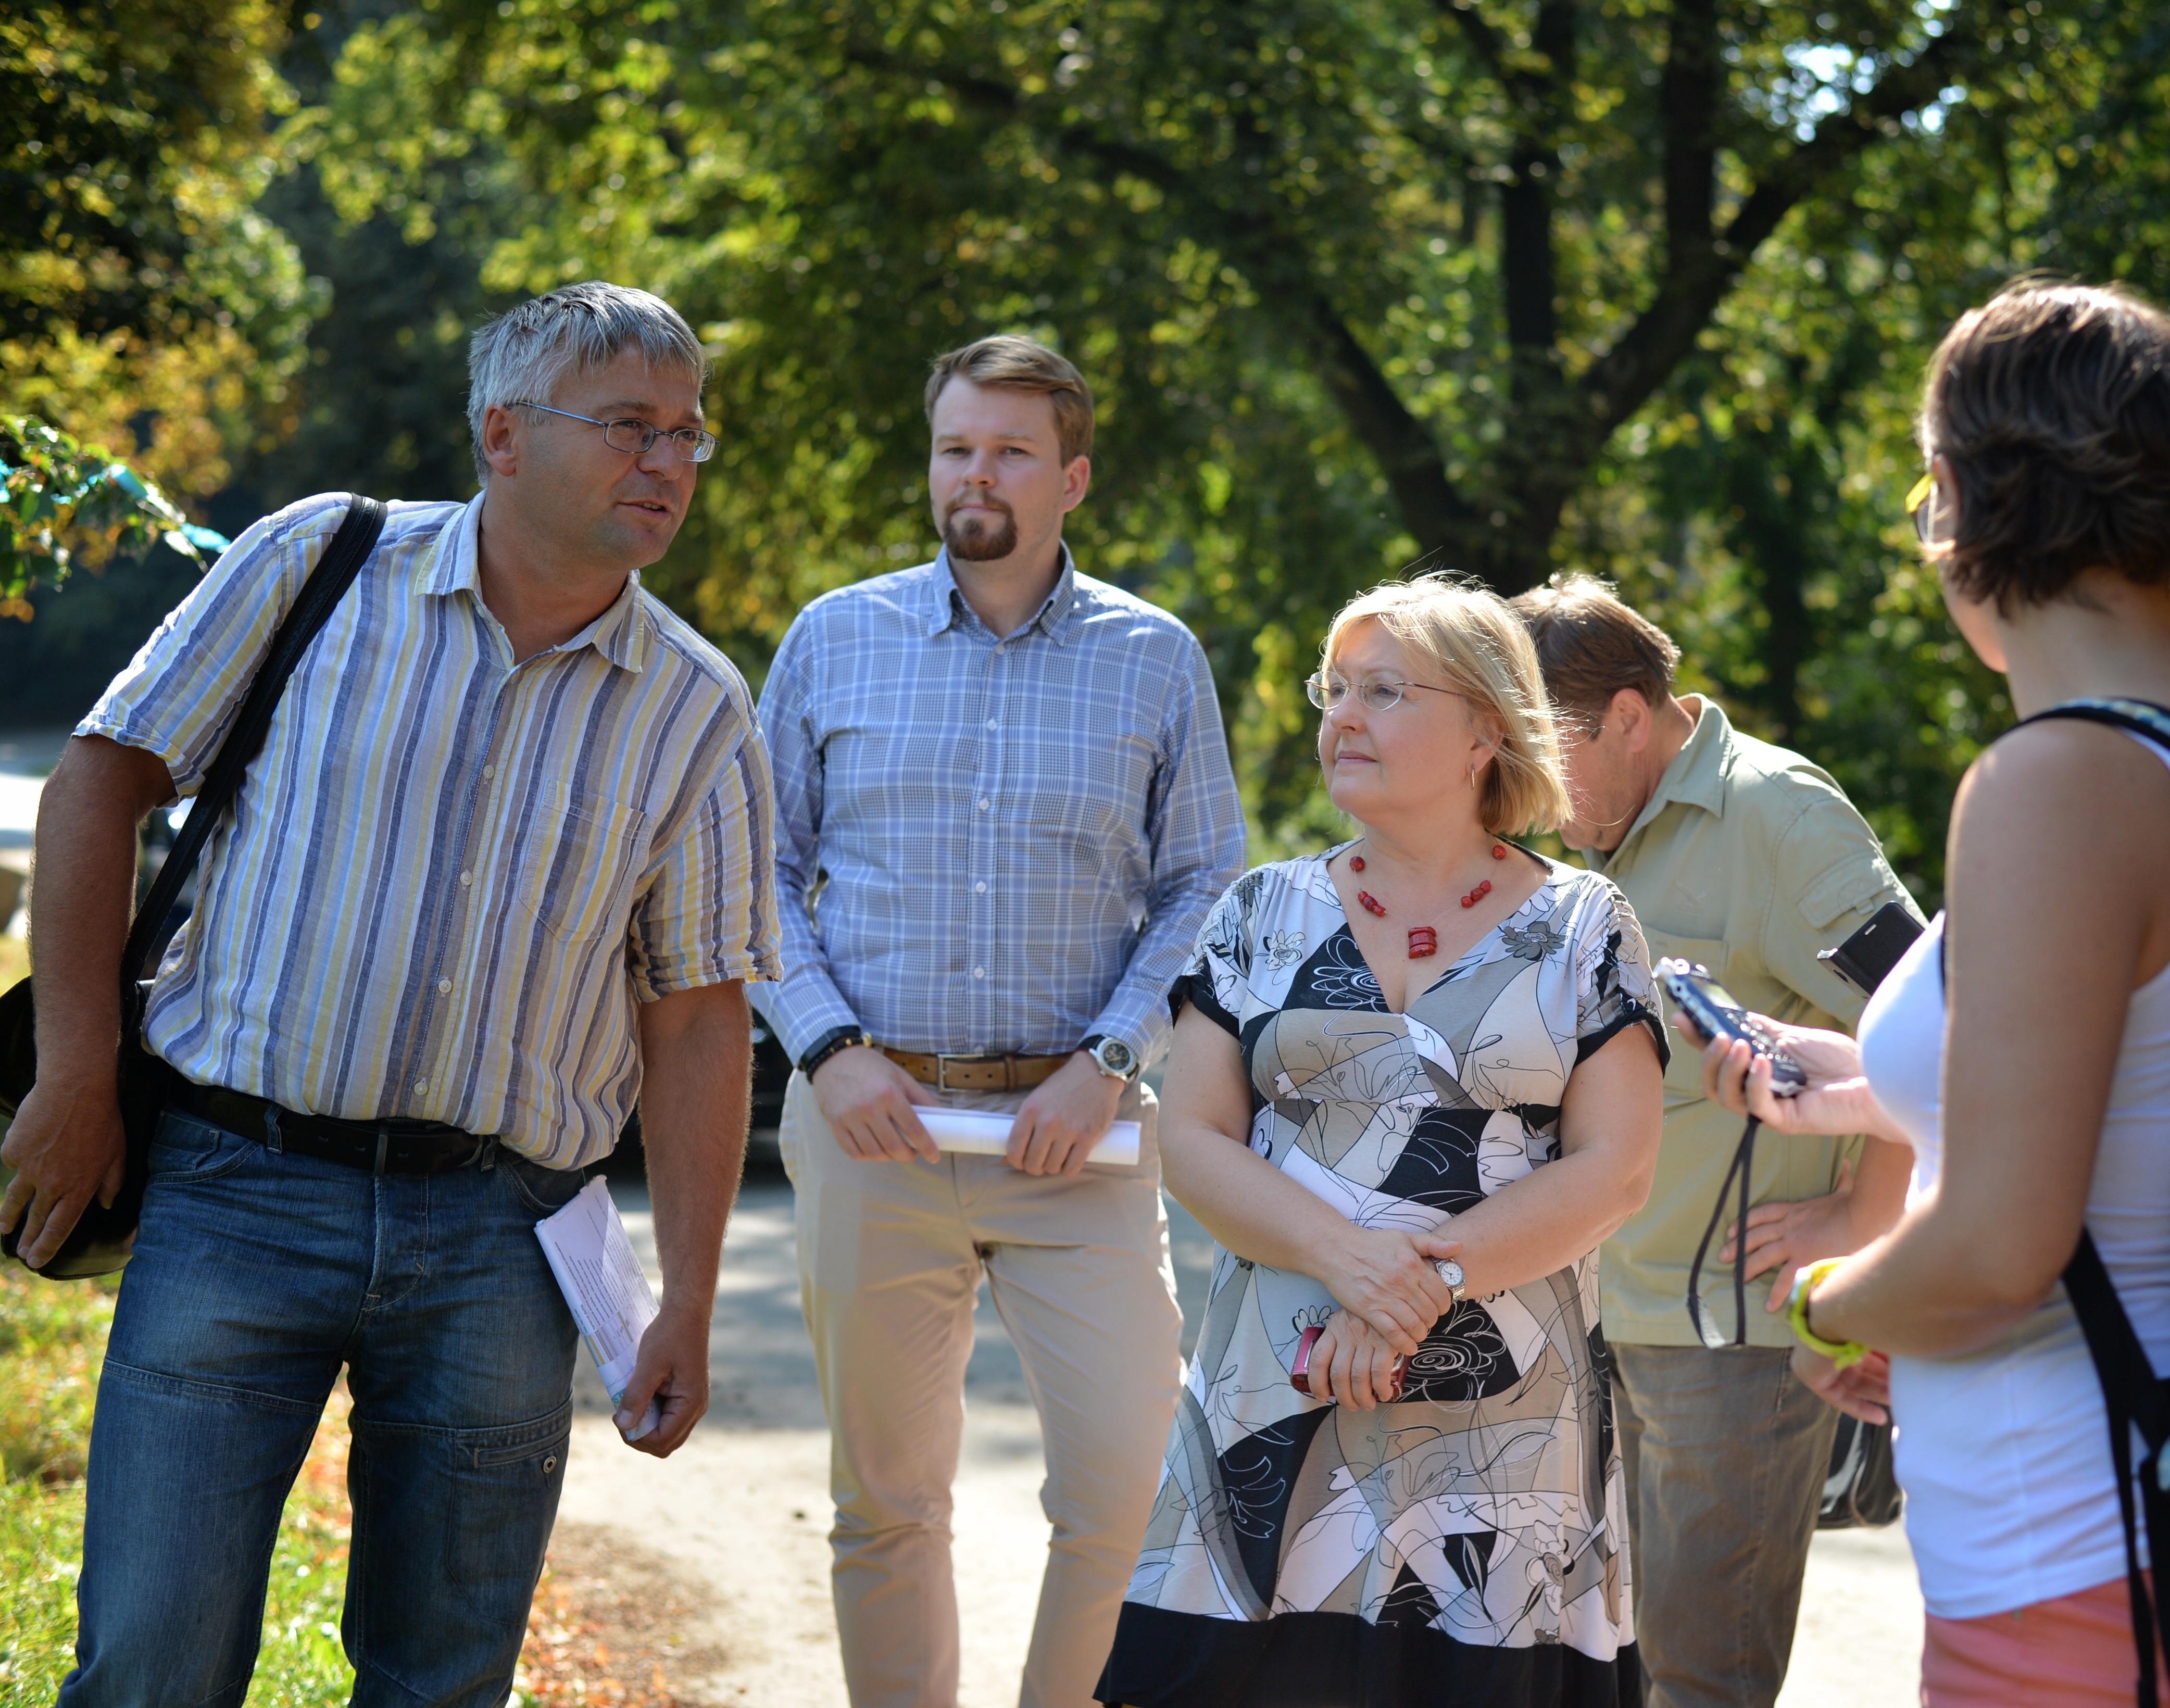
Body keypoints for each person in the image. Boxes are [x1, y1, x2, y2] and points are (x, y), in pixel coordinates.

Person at [1, 282, 781, 1704]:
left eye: (686, 436)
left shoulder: (701, 708)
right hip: (230, 1186)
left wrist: (689, 1301)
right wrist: (73, 1076)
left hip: (501, 1233)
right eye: (627, 428)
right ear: (502, 434)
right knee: (150, 1665)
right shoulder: (320, 561)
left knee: (443, 1682)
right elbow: (102, 779)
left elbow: (696, 1013)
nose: (667, 464)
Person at [1707, 281, 2170, 1704]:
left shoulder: (2059, 783)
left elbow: (2004, 1247)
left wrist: (1844, 1302)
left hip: (2100, 1581)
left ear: (1959, 501)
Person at [753, 335, 1245, 1708]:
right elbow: (752, 870)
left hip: (1075, 1137)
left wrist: (1110, 1061)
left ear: (1072, 475)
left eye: (1012, 450)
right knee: (887, 1503)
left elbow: (1207, 878)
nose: (977, 474)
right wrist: (828, 1047)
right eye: (957, 446)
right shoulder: (834, 636)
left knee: (1130, 1493)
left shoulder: (1154, 658)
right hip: (871, 1124)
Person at [1095, 575, 1669, 1708]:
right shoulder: (1260, 912)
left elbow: (1615, 1167)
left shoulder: (1585, 925)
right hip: (1279, 1397)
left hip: (1505, 1422)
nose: (1342, 716)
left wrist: (1417, 1284)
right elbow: (1197, 1138)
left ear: (1483, 731)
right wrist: (1348, 1262)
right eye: (1335, 688)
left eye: (1385, 691)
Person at [1509, 573, 1914, 1708]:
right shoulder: (1600, 834)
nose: (1532, 796)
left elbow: (1933, 1031)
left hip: (1729, 1344)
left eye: (1547, 752)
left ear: (1630, 718)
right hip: (1599, 1319)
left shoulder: (1781, 813)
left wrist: (1860, 1219)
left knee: (1700, 1682)